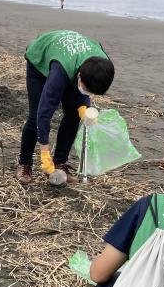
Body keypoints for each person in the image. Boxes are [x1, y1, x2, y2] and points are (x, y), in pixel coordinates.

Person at [16, 30, 115, 185]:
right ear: (79, 75)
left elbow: (85, 89)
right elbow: (44, 113)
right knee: (35, 115)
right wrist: (44, 152)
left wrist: (84, 107)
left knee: (74, 114)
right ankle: (25, 164)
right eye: (86, 89)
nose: (87, 93)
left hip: (73, 63)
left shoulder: (103, 65)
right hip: (41, 58)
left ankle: (60, 162)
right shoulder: (60, 72)